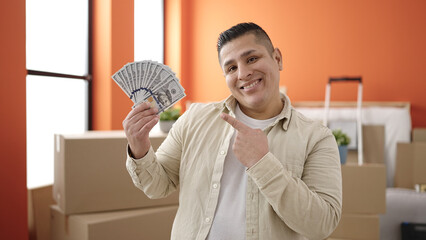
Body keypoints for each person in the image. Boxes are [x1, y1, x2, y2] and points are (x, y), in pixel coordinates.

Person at [123, 22, 342, 240]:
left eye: (252, 59)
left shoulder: (317, 138)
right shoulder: (194, 118)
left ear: (277, 58)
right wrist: (140, 147)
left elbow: (322, 224)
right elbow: (157, 186)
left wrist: (262, 162)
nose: (244, 73)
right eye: (232, 68)